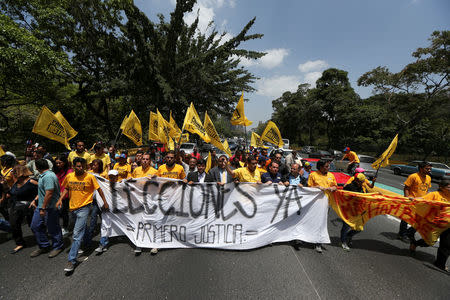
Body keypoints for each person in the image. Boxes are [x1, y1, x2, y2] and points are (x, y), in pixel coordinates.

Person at [58, 157, 109, 273]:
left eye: (82, 166)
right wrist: (60, 199)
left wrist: (105, 202)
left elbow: (99, 190)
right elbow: (66, 188)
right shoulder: (69, 176)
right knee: (82, 228)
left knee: (76, 234)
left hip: (85, 208)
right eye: (77, 166)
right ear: (73, 166)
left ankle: (72, 260)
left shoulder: (90, 177)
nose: (80, 168)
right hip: (72, 208)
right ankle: (87, 242)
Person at [409, 179, 450, 272]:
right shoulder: (435, 194)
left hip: (448, 226)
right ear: (441, 187)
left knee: (447, 245)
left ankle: (440, 264)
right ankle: (415, 243)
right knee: (429, 242)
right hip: (435, 224)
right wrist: (413, 199)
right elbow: (423, 199)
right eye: (449, 186)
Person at [153, 151, 186, 255]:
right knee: (160, 220)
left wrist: (185, 180)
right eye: (168, 157)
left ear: (174, 159)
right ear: (165, 158)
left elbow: (184, 178)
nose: (169, 159)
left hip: (176, 197)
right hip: (163, 197)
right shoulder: (161, 168)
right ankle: (157, 244)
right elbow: (156, 178)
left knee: (175, 219)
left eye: (171, 158)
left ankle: (175, 239)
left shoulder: (180, 168)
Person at [29, 159, 63, 258]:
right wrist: (35, 200)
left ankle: (57, 246)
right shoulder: (43, 176)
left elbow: (49, 193)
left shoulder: (48, 176)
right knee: (35, 226)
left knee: (53, 228)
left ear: (37, 167)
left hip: (50, 207)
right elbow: (42, 191)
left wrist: (43, 208)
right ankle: (44, 246)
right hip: (41, 206)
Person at [307, 159, 337, 253]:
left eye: (329, 166)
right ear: (320, 167)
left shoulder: (331, 175)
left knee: (322, 223)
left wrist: (332, 188)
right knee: (312, 221)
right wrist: (317, 187)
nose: (329, 168)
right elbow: (308, 188)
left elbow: (335, 186)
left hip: (326, 203)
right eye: (327, 166)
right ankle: (308, 238)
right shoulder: (313, 175)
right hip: (314, 203)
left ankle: (318, 243)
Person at [398, 161, 432, 242]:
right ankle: (401, 234)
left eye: (430, 169)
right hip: (411, 201)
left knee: (420, 220)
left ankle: (409, 233)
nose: (429, 170)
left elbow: (426, 190)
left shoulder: (429, 178)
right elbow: (406, 188)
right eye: (427, 169)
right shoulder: (413, 176)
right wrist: (407, 198)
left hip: (421, 203)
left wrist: (427, 199)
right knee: (406, 219)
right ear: (421, 168)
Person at [7, 165, 38, 254]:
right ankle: (20, 243)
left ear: (22, 172)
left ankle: (41, 240)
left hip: (28, 206)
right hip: (15, 207)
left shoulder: (32, 181)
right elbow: (11, 193)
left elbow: (42, 190)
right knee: (14, 225)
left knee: (33, 225)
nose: (13, 173)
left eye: (15, 171)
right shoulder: (16, 182)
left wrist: (35, 200)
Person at [340, 173, 367, 251]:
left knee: (359, 228)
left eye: (362, 181)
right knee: (346, 227)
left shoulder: (362, 188)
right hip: (348, 211)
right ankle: (343, 241)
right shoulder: (349, 187)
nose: (362, 183)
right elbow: (343, 197)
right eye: (361, 181)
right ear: (356, 180)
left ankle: (348, 235)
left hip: (357, 211)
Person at [95, 170, 118, 254]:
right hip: (107, 210)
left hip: (120, 212)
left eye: (114, 176)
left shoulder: (121, 185)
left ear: (117, 177)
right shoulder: (104, 185)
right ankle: (102, 244)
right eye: (110, 176)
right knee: (105, 225)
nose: (112, 178)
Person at [53, 155, 73, 236]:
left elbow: (68, 184)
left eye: (60, 163)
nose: (58, 165)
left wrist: (62, 192)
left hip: (66, 194)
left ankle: (65, 227)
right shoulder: (55, 171)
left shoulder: (69, 171)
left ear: (64, 162)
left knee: (64, 211)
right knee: (60, 212)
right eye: (57, 163)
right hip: (57, 194)